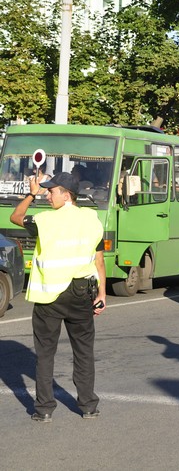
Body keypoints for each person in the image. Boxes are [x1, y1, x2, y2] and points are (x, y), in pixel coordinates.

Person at [10, 172, 107, 422]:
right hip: (82, 293)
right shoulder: (92, 219)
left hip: (51, 296)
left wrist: (31, 194)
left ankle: (43, 410)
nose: (47, 195)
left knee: (45, 354)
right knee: (84, 352)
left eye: (52, 191)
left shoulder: (45, 220)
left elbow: (16, 217)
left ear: (67, 195)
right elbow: (99, 259)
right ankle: (88, 407)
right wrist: (103, 293)